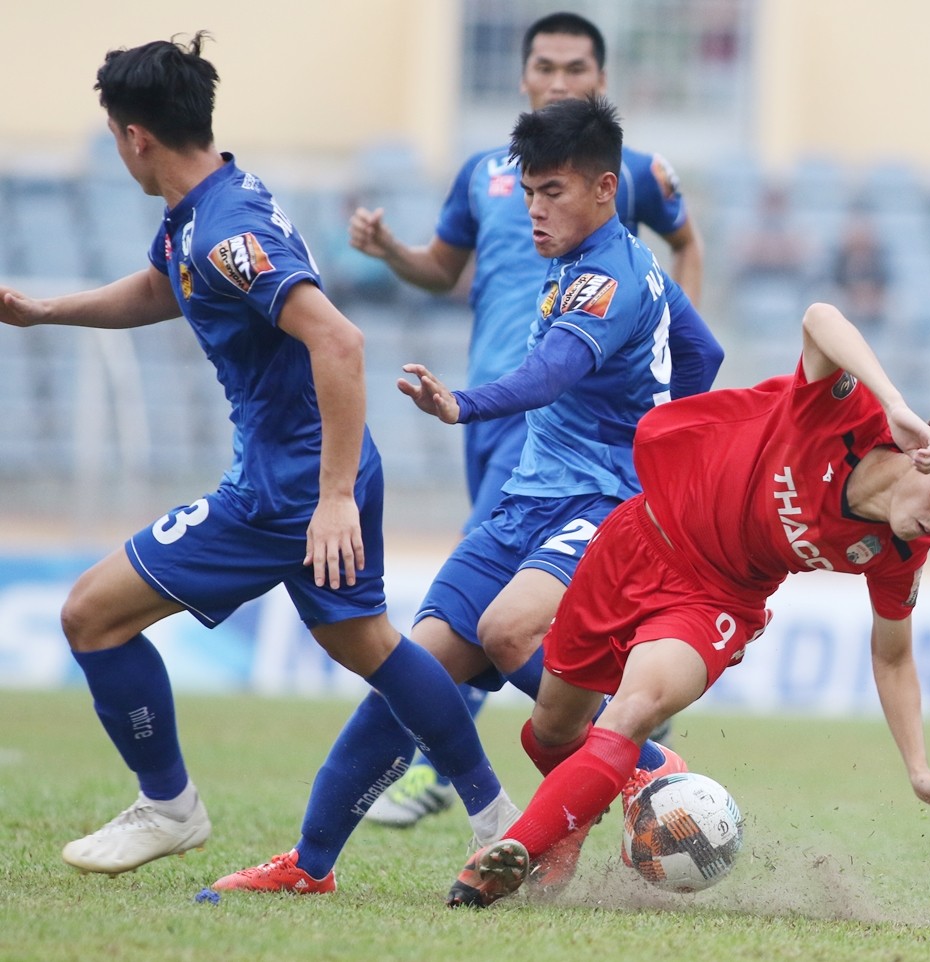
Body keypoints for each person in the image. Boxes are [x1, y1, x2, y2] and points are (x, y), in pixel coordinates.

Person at [0, 33, 516, 881]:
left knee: (90, 616)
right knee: (374, 648)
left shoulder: (227, 230)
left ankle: (168, 806)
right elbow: (165, 287)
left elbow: (339, 341)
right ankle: (496, 815)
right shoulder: (210, 205)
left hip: (285, 491)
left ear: (135, 137)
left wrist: (333, 496)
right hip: (318, 475)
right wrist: (46, 312)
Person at [210, 94, 721, 895]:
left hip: (602, 507)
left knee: (507, 630)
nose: (534, 210)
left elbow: (553, 371)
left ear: (603, 188)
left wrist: (465, 403)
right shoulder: (611, 262)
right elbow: (704, 350)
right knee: (416, 672)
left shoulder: (612, 278)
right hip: (523, 499)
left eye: (552, 192)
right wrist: (673, 425)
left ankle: (643, 758)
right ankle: (310, 866)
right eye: (528, 192)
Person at [446, 301, 930, 908]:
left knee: (631, 711)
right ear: (924, 449)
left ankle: (505, 858)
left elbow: (893, 658)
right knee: (550, 735)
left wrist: (920, 768)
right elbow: (820, 318)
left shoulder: (899, 552)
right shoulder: (846, 412)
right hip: (635, 542)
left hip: (719, 601)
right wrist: (894, 400)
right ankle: (580, 819)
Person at [349, 11, 708, 828]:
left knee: (487, 615)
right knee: (497, 614)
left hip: (562, 413)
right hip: (490, 415)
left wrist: (668, 377)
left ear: (600, 81)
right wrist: (390, 253)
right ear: (522, 77)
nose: (557, 81)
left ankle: (462, 768)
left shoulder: (636, 173)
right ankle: (610, 727)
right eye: (544, 66)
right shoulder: (485, 173)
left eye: (575, 68)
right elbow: (443, 270)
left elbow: (687, 254)